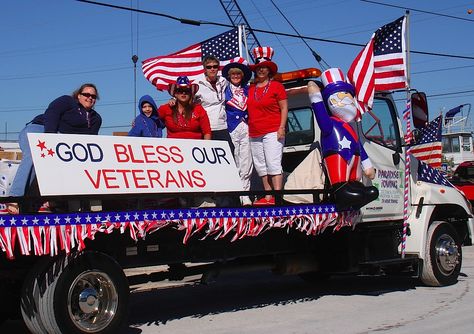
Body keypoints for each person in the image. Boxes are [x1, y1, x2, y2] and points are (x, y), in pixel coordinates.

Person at [7, 83, 102, 214]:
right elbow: (52, 113)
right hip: (41, 129)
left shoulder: (96, 118)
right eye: (86, 94)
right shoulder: (67, 101)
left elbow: (90, 140)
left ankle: (39, 202)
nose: (90, 97)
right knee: (34, 155)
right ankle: (15, 197)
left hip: (63, 143)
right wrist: (50, 137)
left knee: (53, 170)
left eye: (93, 96)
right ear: (78, 95)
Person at [307, 68, 377, 210]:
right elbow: (320, 115)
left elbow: (359, 145)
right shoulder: (330, 124)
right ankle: (340, 191)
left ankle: (357, 189)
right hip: (337, 154)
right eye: (343, 94)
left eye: (348, 94)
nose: (348, 98)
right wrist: (315, 97)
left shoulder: (350, 126)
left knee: (359, 185)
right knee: (341, 181)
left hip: (353, 157)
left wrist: (367, 165)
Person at [247, 46, 288, 206]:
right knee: (261, 165)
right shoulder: (250, 89)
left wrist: (282, 127)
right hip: (254, 131)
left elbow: (284, 108)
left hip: (272, 130)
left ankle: (277, 197)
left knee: (273, 162)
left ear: (269, 70)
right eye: (258, 68)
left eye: (264, 68)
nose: (261, 70)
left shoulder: (277, 86)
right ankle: (268, 196)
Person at [222, 57, 253, 206]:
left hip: (246, 127)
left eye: (238, 74)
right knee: (234, 160)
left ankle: (245, 194)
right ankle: (236, 194)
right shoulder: (223, 90)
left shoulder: (248, 90)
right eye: (233, 74)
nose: (235, 76)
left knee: (246, 161)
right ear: (229, 75)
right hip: (231, 127)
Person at [194, 56, 234, 152]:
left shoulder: (224, 81)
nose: (212, 69)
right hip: (206, 127)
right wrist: (173, 99)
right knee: (208, 155)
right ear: (205, 69)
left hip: (222, 125)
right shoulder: (197, 84)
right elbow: (184, 95)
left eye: (215, 66)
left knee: (229, 153)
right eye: (209, 67)